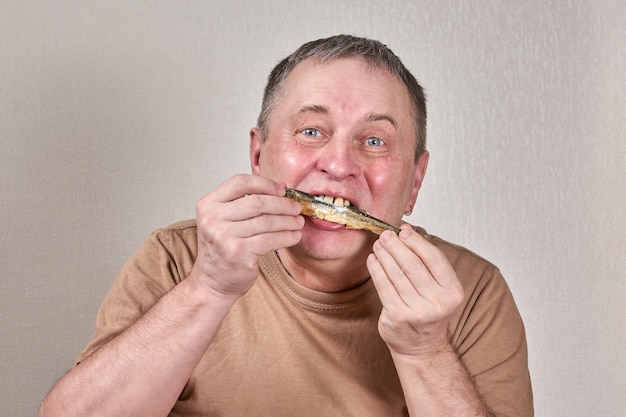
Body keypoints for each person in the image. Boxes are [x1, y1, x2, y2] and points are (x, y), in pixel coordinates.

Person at [39, 34, 533, 416]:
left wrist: (425, 352)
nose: (339, 164)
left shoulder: (472, 290)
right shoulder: (179, 259)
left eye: (376, 141)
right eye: (311, 131)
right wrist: (207, 289)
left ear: (415, 180)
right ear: (259, 154)